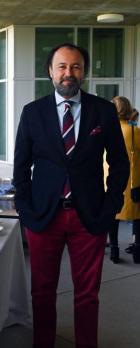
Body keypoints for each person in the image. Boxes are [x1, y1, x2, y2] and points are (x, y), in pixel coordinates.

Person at [13, 43, 130, 348]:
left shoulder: (102, 111)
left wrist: (111, 204)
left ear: (84, 72)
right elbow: (21, 167)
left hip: (89, 216)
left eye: (76, 67)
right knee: (41, 292)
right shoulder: (32, 113)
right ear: (50, 71)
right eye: (62, 66)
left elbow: (120, 163)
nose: (69, 73)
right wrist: (25, 209)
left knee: (88, 295)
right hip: (43, 217)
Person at [108, 96, 140, 263]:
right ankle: (138, 250)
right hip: (133, 182)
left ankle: (114, 250)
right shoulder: (135, 131)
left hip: (111, 179)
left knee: (112, 216)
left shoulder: (107, 130)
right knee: (137, 216)